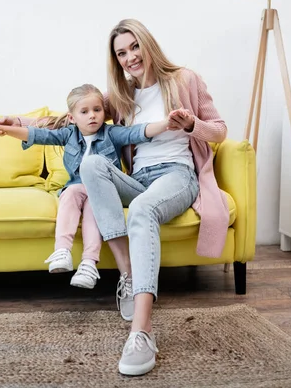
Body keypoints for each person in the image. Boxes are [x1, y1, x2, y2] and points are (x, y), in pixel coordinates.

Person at [76, 19, 230, 376]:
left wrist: (191, 124)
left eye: (134, 47)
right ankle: (128, 273)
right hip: (140, 179)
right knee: (93, 164)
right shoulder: (122, 96)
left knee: (143, 210)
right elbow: (76, 117)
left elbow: (219, 130)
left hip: (177, 176)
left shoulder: (185, 79)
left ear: (147, 44)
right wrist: (21, 125)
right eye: (121, 53)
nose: (130, 57)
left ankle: (141, 332)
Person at [0, 83, 176, 290]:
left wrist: (166, 123)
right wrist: (4, 129)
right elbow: (36, 135)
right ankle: (62, 251)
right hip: (76, 186)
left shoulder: (112, 133)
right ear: (72, 118)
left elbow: (138, 132)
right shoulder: (68, 134)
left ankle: (89, 263)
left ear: (104, 112)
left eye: (97, 110)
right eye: (84, 112)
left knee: (95, 205)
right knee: (70, 193)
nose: (92, 116)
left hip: (101, 189)